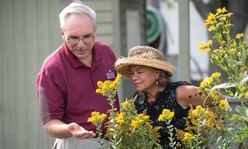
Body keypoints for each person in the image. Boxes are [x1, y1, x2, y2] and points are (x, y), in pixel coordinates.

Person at [36, 1, 120, 149]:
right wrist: (70, 129)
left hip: (115, 141)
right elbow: (50, 124)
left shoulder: (107, 52)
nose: (81, 45)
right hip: (77, 143)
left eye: (87, 36)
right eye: (73, 38)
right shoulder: (51, 69)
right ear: (63, 33)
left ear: (95, 30)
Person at [114, 46, 219, 149]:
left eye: (140, 72)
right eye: (132, 73)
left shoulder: (180, 92)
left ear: (156, 73)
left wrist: (203, 132)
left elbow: (218, 99)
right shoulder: (139, 101)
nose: (134, 77)